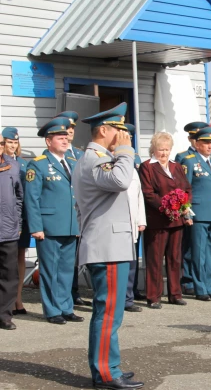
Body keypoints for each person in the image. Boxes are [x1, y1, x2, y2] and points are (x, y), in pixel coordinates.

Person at [73, 102, 144, 389]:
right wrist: (126, 152)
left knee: (112, 312)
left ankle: (110, 365)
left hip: (112, 243)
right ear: (103, 130)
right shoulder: (94, 158)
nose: (124, 135)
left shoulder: (99, 156)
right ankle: (104, 373)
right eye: (119, 130)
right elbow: (120, 180)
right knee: (107, 312)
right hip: (107, 246)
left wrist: (121, 152)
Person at [24, 117, 83, 325]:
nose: (65, 141)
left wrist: (79, 223)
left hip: (70, 225)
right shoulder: (38, 165)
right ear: (48, 142)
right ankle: (52, 310)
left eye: (66, 137)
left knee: (67, 270)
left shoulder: (73, 163)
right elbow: (32, 199)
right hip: (48, 227)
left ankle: (66, 307)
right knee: (50, 270)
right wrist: (36, 227)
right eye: (60, 138)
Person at [139, 132, 192, 309]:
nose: (164, 153)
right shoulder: (147, 167)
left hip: (176, 221)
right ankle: (153, 296)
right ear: (153, 149)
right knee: (155, 258)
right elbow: (148, 193)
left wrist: (184, 207)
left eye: (167, 150)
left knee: (175, 258)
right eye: (160, 149)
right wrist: (167, 206)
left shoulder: (176, 166)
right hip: (157, 219)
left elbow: (186, 188)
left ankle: (175, 294)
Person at [181, 127, 211, 301]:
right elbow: (185, 189)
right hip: (198, 213)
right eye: (205, 143)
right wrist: (187, 213)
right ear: (197, 144)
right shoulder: (190, 161)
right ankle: (200, 288)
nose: (209, 146)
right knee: (198, 253)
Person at [53, 111, 91, 307]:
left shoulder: (79, 154)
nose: (69, 133)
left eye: (71, 129)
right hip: (61, 217)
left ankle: (73, 293)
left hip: (78, 215)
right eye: (66, 130)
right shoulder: (52, 157)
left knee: (74, 259)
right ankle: (63, 296)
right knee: (61, 262)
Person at [175, 121, 208, 296]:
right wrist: (185, 209)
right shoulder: (184, 157)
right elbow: (183, 185)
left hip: (203, 208)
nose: (197, 141)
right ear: (190, 138)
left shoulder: (208, 159)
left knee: (199, 248)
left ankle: (201, 280)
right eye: (194, 138)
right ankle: (187, 280)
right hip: (190, 207)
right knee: (187, 246)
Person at [2, 127, 28, 315]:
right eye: (8, 142)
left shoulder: (21, 165)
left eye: (15, 142)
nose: (12, 146)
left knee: (15, 264)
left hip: (16, 221)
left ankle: (13, 306)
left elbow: (21, 195)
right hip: (6, 222)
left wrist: (19, 220)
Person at [122, 124, 147, 312]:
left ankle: (128, 298)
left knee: (131, 263)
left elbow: (138, 194)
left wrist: (142, 220)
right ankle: (121, 298)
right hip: (118, 222)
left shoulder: (133, 160)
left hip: (132, 220)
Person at [0, 139, 22, 330]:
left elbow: (19, 197)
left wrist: (18, 222)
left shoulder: (12, 165)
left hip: (8, 230)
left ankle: (4, 316)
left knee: (9, 275)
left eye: (0, 143)